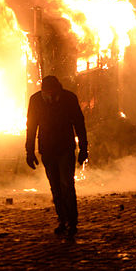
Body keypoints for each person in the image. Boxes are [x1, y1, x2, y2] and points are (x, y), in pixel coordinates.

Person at [26, 75, 88, 238]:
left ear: (58, 89)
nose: (51, 97)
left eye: (53, 93)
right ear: (43, 91)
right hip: (47, 149)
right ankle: (63, 219)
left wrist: (83, 148)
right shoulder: (36, 100)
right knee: (55, 186)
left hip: (65, 148)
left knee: (67, 184)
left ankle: (72, 222)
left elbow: (79, 123)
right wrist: (29, 151)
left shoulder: (69, 98)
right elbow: (31, 126)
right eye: (47, 93)